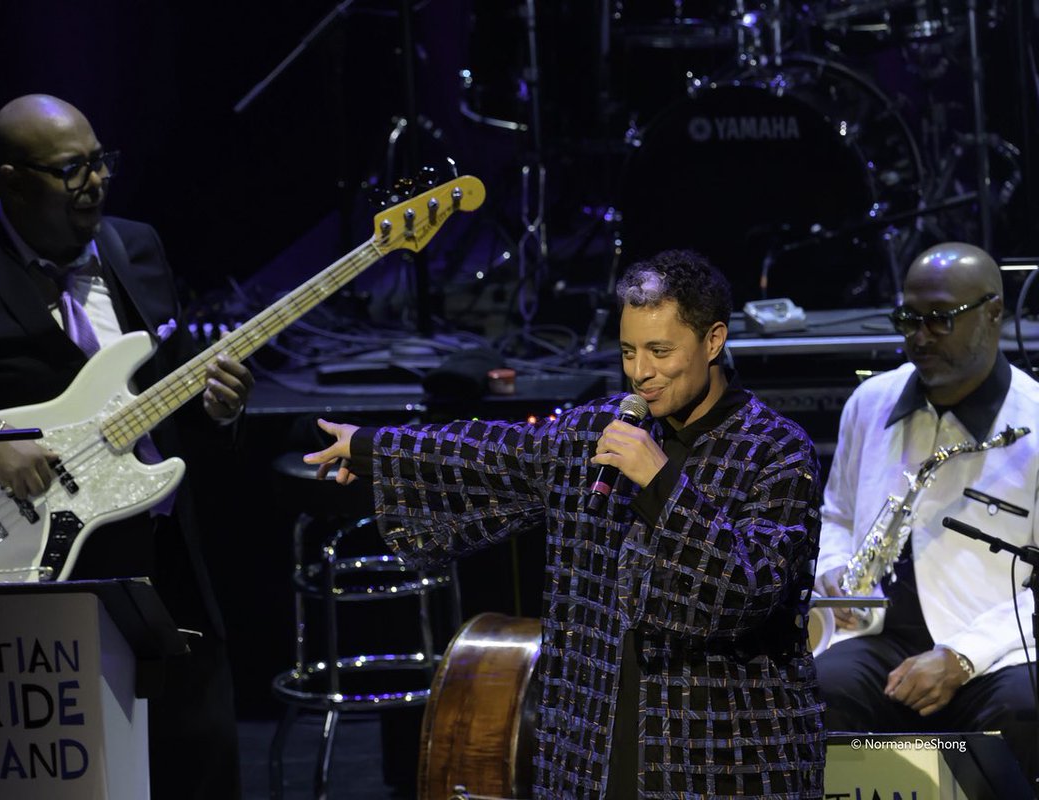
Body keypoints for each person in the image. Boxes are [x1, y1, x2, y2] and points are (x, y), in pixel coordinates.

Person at [306, 250, 826, 798]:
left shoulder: (778, 451)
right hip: (595, 750)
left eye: (659, 351)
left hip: (728, 756)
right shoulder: (597, 432)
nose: (640, 372)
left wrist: (663, 483)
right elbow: (494, 457)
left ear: (713, 341)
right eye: (628, 351)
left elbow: (742, 593)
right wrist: (373, 449)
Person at [0, 94, 252, 799]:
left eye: (100, 162)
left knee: (200, 764)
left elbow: (155, 400)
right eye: (71, 170)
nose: (94, 182)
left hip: (166, 560)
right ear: (12, 180)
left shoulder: (139, 247)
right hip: (47, 571)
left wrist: (219, 409)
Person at [814, 242, 1039, 791]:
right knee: (817, 693)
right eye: (909, 318)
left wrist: (964, 657)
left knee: (1023, 710)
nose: (918, 335)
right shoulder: (870, 401)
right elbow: (837, 513)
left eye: (939, 320)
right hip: (878, 634)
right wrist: (835, 569)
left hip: (998, 645)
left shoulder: (1035, 421)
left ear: (993, 313)